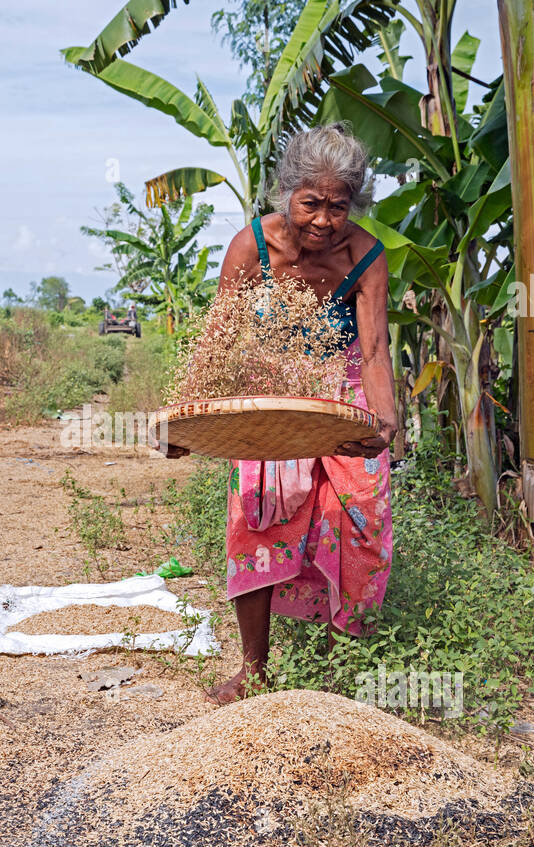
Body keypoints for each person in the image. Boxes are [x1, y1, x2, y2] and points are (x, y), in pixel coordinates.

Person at [158, 123, 399, 704]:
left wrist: (385, 424)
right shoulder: (253, 247)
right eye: (311, 203)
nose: (324, 220)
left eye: (338, 206)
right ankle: (255, 671)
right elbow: (218, 343)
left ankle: (341, 677)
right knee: (258, 517)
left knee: (361, 518)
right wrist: (185, 421)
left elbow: (373, 351)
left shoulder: (365, 256)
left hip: (342, 390)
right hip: (271, 390)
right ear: (286, 191)